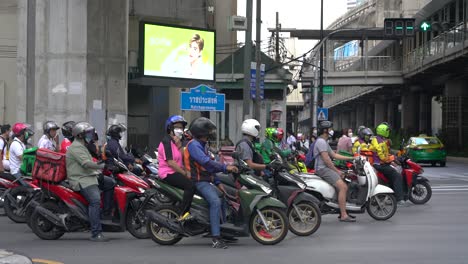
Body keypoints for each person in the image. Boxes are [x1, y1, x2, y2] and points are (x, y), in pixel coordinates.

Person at [184, 117, 238, 249]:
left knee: (223, 197)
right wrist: (226, 168)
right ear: (201, 132)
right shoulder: (193, 145)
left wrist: (218, 182)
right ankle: (215, 238)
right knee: (215, 202)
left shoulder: (203, 145)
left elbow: (209, 168)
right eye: (208, 131)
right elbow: (206, 163)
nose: (211, 133)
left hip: (207, 180)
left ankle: (222, 230)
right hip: (198, 181)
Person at [66, 122, 115, 242]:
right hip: (81, 179)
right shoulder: (76, 147)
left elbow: (92, 160)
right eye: (88, 133)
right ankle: (95, 233)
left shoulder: (83, 145)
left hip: (89, 175)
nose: (91, 135)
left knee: (111, 183)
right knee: (95, 200)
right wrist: (102, 166)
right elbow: (86, 163)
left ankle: (104, 214)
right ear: (80, 135)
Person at [313, 121, 356, 222]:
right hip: (323, 169)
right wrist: (337, 171)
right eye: (330, 129)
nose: (332, 130)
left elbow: (334, 155)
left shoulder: (324, 141)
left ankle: (342, 210)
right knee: (343, 187)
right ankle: (344, 215)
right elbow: (327, 160)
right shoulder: (321, 142)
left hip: (325, 168)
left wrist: (351, 158)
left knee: (345, 181)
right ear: (325, 130)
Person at [158, 115, 195, 221]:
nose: (180, 130)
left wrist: (180, 146)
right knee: (190, 186)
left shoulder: (175, 143)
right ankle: (183, 214)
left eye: (181, 127)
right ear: (170, 128)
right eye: (177, 127)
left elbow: (182, 158)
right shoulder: (166, 141)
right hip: (168, 173)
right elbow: (171, 162)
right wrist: (184, 173)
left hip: (175, 172)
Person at [370, 122, 406, 206]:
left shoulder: (378, 139)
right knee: (397, 176)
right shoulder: (380, 142)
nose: (389, 132)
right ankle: (399, 199)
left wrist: (392, 157)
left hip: (378, 163)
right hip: (380, 165)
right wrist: (392, 159)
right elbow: (383, 157)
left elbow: (385, 153)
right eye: (388, 131)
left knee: (393, 174)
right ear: (383, 131)